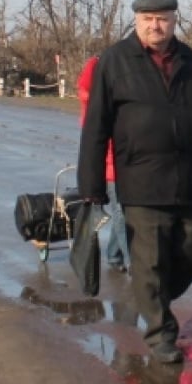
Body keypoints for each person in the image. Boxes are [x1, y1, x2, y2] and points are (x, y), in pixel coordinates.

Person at [78, 0, 192, 365]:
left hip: (189, 179)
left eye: (163, 19)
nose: (156, 26)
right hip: (141, 181)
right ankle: (160, 334)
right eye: (148, 20)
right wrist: (91, 186)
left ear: (175, 20)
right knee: (151, 259)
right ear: (137, 22)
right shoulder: (115, 61)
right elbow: (95, 127)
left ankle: (151, 296)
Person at [76, 55, 130, 274]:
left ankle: (115, 255)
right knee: (122, 212)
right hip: (111, 162)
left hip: (125, 160)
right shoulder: (96, 106)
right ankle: (132, 260)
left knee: (123, 211)